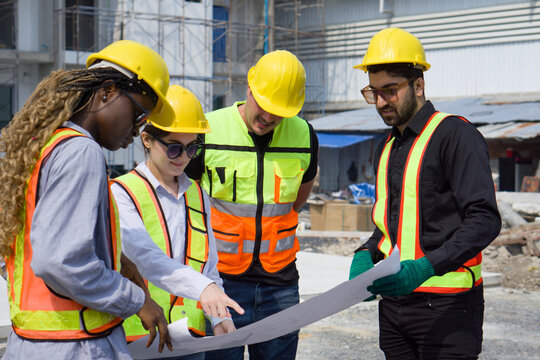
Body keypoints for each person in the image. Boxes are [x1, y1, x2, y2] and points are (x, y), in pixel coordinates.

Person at [0, 40, 176, 359]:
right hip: (76, 346)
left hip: (31, 343)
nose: (138, 130)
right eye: (138, 113)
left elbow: (19, 251)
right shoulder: (82, 151)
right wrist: (137, 300)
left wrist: (116, 263)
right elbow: (60, 261)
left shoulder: (41, 147)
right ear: (106, 92)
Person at [348, 27, 501, 360]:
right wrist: (367, 252)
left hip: (448, 311)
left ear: (418, 85)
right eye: (372, 92)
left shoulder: (455, 135)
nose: (380, 101)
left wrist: (424, 268)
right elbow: (391, 223)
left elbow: (485, 220)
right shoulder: (385, 146)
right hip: (394, 310)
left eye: (390, 90)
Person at [185, 50, 319, 360]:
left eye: (280, 112)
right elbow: (185, 199)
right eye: (265, 106)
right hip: (221, 281)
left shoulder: (304, 135)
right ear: (249, 88)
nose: (270, 118)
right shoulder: (208, 130)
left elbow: (299, 197)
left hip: (281, 284)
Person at [111, 85, 244, 360]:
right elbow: (146, 258)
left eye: (192, 147)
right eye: (174, 148)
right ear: (147, 139)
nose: (183, 158)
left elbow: (208, 266)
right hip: (138, 340)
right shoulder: (120, 193)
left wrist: (219, 318)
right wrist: (204, 289)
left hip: (188, 340)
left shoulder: (197, 193)